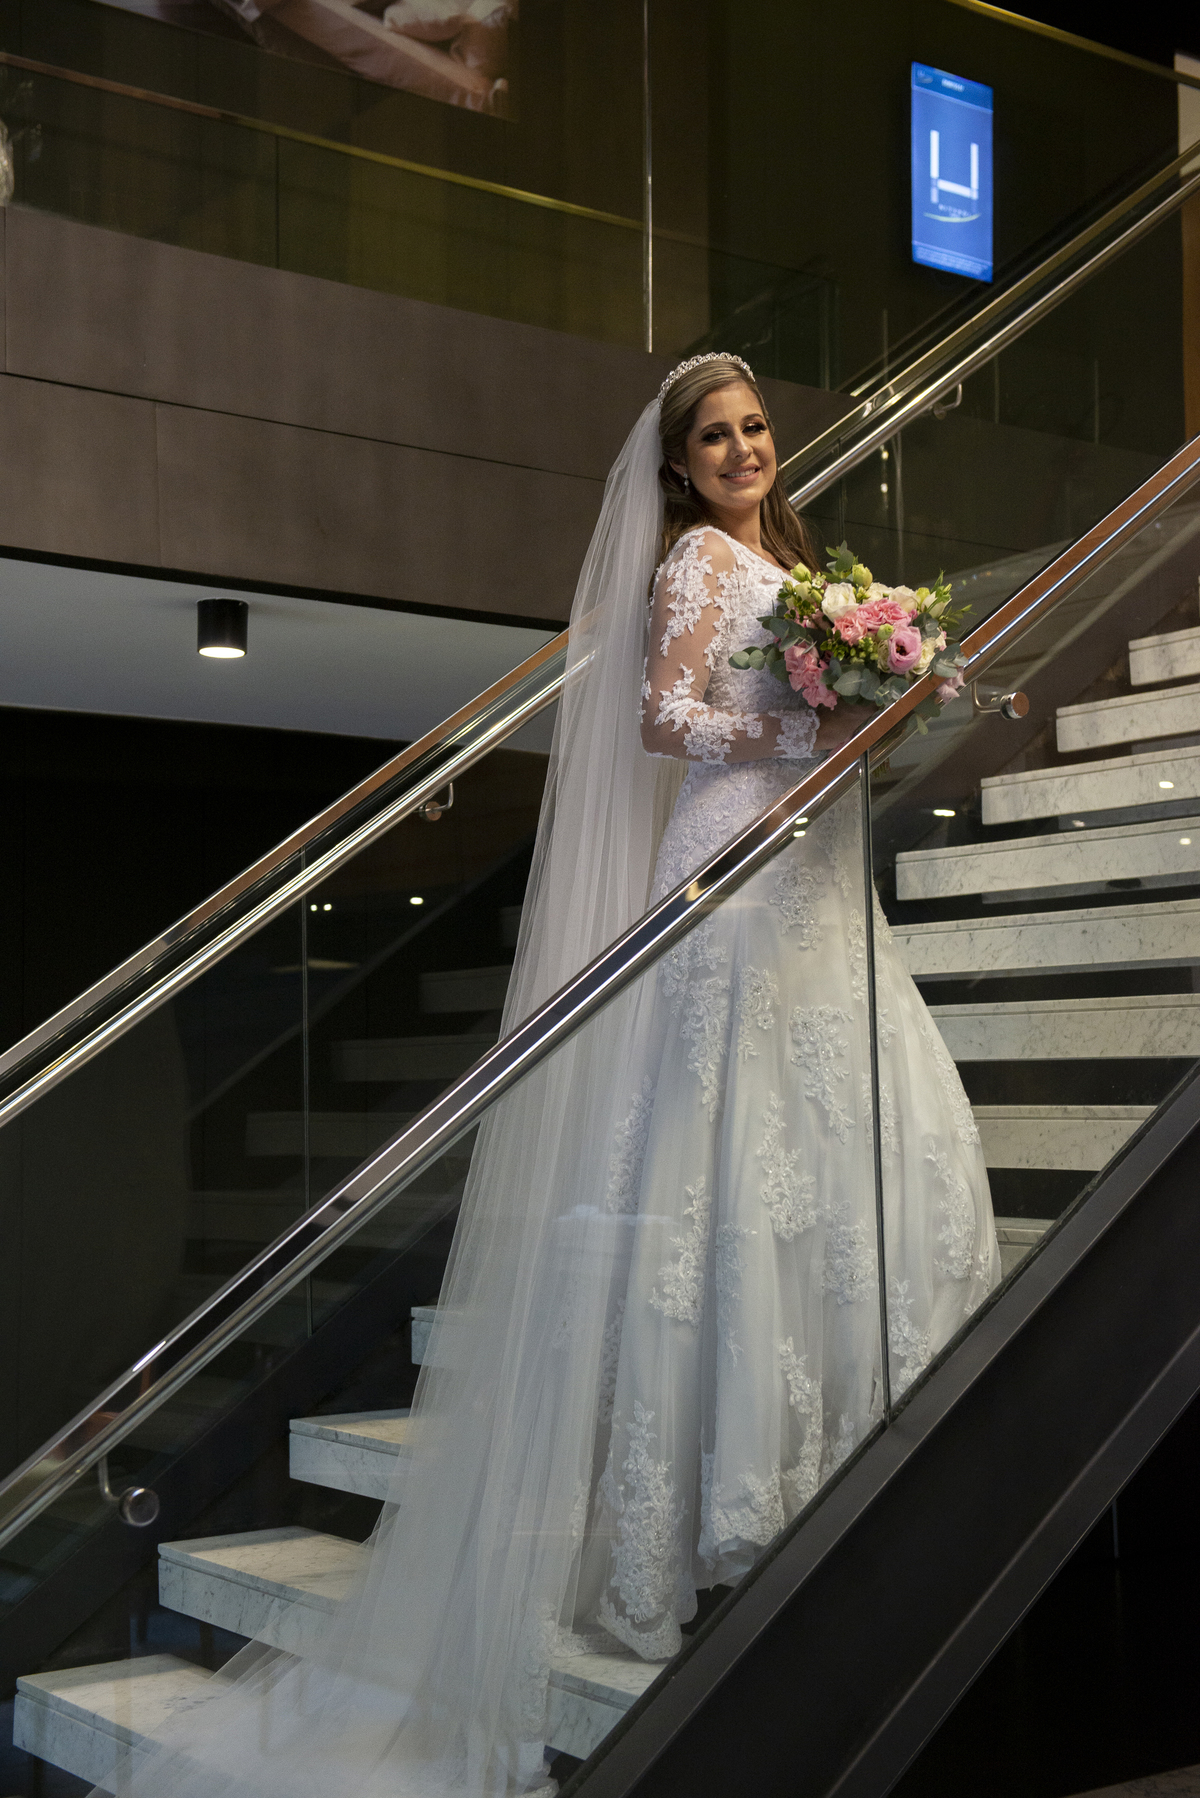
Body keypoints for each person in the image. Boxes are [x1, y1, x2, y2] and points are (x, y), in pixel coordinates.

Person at [102, 355, 996, 1798]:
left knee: (830, 1116)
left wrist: (867, 696)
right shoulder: (697, 562)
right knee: (729, 1142)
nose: (744, 449)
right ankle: (708, 1497)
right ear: (680, 466)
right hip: (733, 857)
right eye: (716, 437)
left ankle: (825, 1434)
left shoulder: (798, 563)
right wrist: (803, 720)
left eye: (756, 426)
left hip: (815, 860)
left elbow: (806, 694)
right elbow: (664, 713)